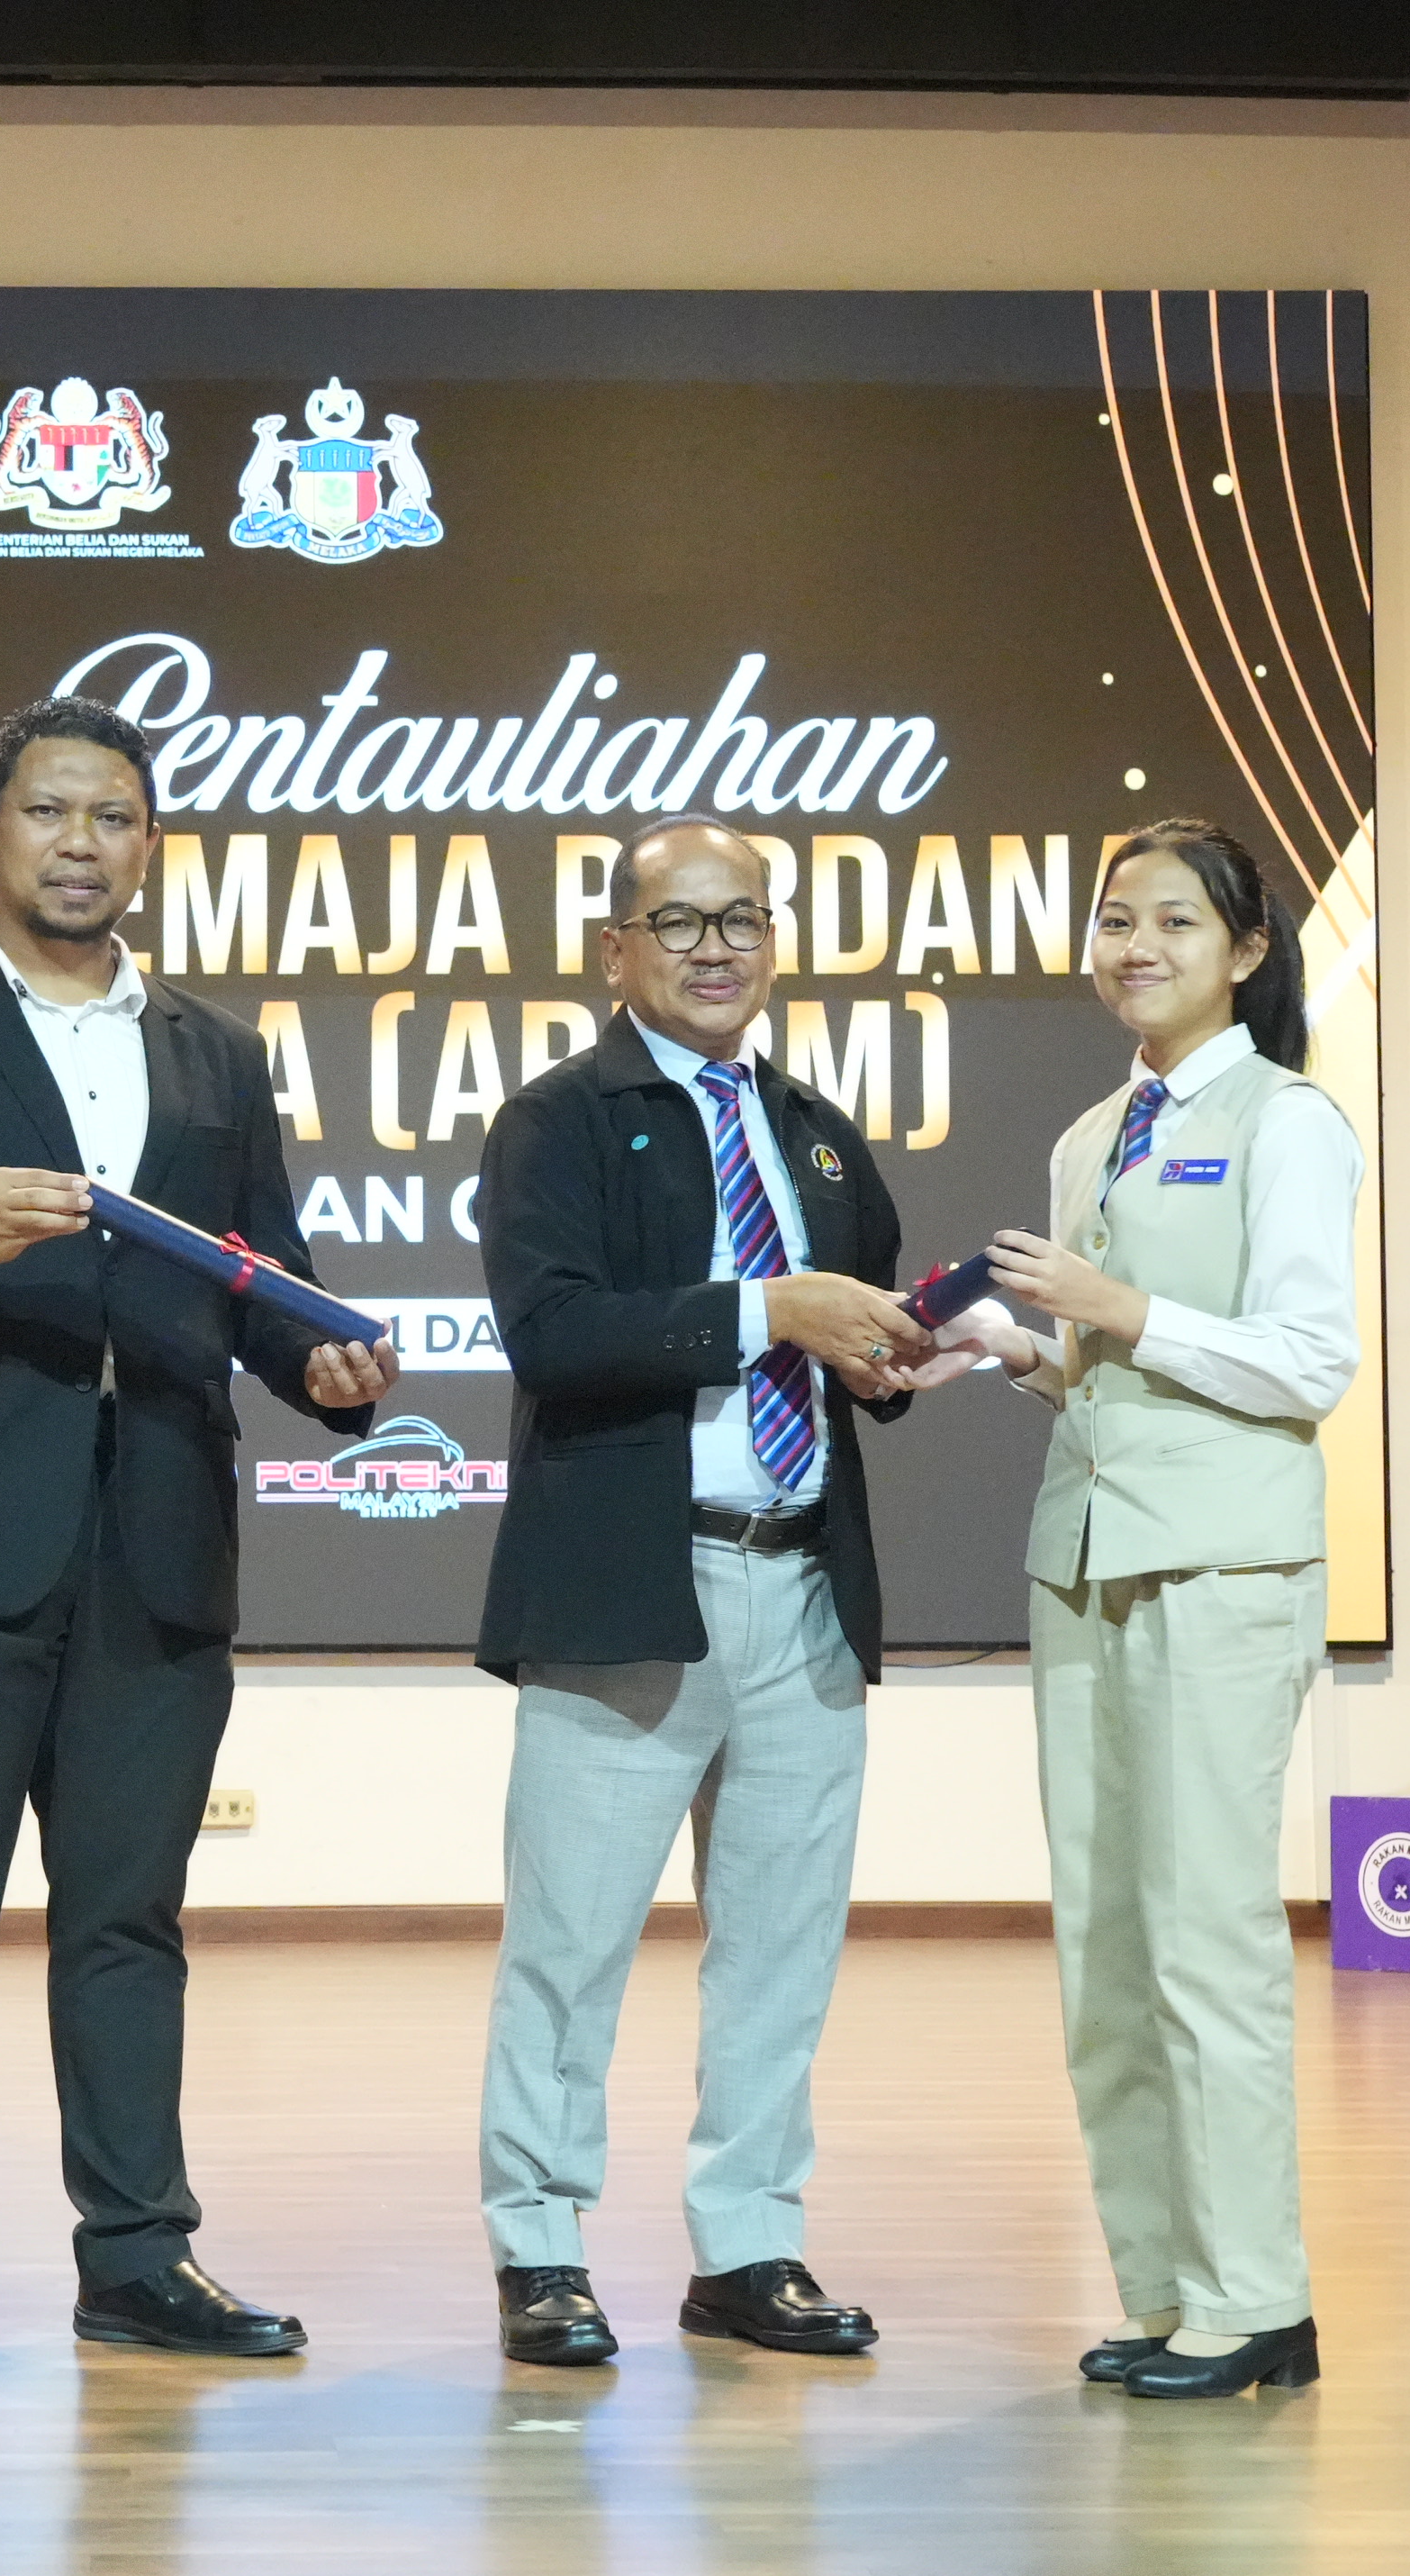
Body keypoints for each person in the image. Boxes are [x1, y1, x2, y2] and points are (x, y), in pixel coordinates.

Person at [0, 695, 395, 2381]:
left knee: (130, 1918)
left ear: (150, 845)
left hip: (163, 1534)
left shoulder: (215, 1051)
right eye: (50, 812)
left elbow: (258, 1273)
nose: (80, 845)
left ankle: (137, 2256)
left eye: (113, 818)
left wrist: (322, 1368)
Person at [468, 812, 935, 2367]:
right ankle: (542, 2246)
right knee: (570, 1947)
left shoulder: (815, 1133)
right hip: (631, 1588)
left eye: (743, 918)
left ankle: (749, 2244)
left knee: (781, 1950)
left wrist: (894, 1352)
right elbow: (553, 1333)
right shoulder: (558, 1122)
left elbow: (855, 1325)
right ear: (619, 951)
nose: (716, 947)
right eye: (680, 922)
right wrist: (767, 1311)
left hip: (804, 1587)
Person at [966, 816, 1363, 2399]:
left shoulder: (1289, 1121)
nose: (1135, 947)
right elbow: (1094, 1366)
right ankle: (1166, 2290)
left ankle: (1258, 2299)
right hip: (1085, 1556)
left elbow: (1308, 1362)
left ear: (1247, 951)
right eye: (1116, 918)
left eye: (1175, 921)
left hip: (1221, 1566)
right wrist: (1006, 1346)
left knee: (1207, 1938)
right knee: (1110, 1948)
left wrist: (1121, 1307)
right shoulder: (1092, 1135)